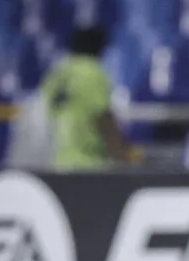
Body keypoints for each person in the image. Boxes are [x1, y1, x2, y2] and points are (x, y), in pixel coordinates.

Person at [41, 25, 140, 170]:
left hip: (58, 160)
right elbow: (103, 116)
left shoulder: (58, 73)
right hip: (88, 163)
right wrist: (121, 151)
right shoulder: (92, 71)